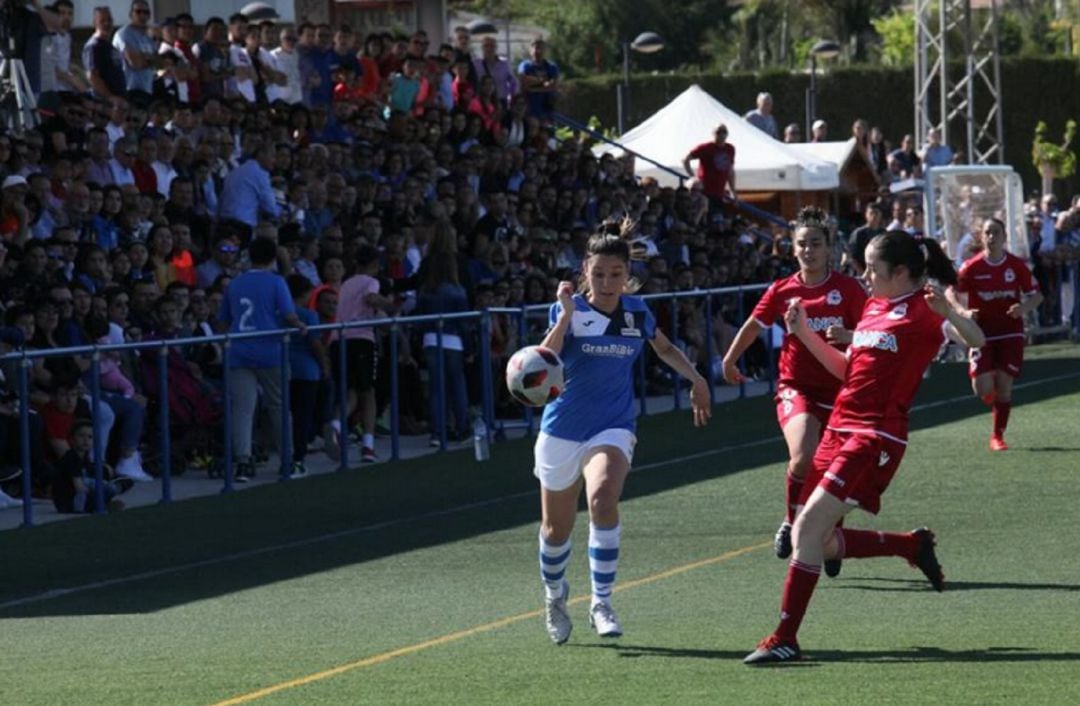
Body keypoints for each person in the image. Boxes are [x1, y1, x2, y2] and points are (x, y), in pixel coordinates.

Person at [744, 230, 986, 665]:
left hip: (874, 437)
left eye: (872, 269)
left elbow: (977, 339)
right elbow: (847, 369)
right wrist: (803, 334)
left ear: (901, 272)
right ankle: (909, 545)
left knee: (806, 531)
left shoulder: (925, 310)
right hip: (837, 428)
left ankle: (785, 637)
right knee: (824, 542)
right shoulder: (874, 307)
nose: (864, 276)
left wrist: (949, 309)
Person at [535, 226, 711, 645]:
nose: (607, 283)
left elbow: (664, 348)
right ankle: (555, 597)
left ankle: (601, 602)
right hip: (561, 429)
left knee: (602, 498)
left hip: (612, 426)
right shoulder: (570, 309)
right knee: (555, 530)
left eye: (616, 274)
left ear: (627, 273)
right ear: (585, 272)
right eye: (599, 274)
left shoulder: (637, 313)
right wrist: (564, 316)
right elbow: (544, 360)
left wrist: (697, 378)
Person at [721, 207, 866, 571]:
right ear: (793, 248)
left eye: (815, 243)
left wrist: (849, 336)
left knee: (836, 466)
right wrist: (729, 359)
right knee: (803, 456)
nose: (808, 250)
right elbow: (754, 325)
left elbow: (872, 332)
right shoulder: (783, 290)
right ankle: (790, 521)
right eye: (802, 243)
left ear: (829, 247)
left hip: (841, 393)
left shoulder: (847, 289)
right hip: (796, 387)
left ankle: (830, 533)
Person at [216, 236, 306, 481]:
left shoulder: (235, 283)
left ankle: (243, 462)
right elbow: (288, 314)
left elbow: (223, 319)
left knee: (242, 409)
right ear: (273, 258)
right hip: (270, 351)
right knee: (278, 406)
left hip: (239, 350)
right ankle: (287, 461)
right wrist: (300, 325)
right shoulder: (276, 282)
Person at [953, 218, 1043, 450]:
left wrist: (1023, 308)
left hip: (1010, 332)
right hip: (980, 334)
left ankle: (997, 436)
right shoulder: (971, 267)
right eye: (987, 233)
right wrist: (962, 310)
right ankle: (992, 395)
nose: (992, 237)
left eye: (996, 232)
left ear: (1004, 237)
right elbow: (951, 291)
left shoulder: (1015, 265)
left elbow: (1037, 295)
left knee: (1004, 385)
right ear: (982, 238)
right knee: (982, 389)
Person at [682, 124, 736, 211]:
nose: (722, 135)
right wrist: (693, 177)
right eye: (719, 132)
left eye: (724, 132)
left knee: (718, 217)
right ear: (713, 134)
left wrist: (733, 191)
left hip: (719, 191)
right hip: (704, 191)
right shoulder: (705, 148)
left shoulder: (730, 149)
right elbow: (685, 160)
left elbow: (730, 171)